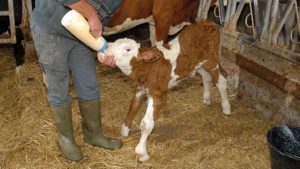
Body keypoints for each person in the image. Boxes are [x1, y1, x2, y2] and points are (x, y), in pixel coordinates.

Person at [30, 0, 122, 161]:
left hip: (79, 32)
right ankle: (66, 140)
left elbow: (103, 15)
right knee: (59, 89)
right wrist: (92, 16)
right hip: (51, 30)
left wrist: (101, 49)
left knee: (89, 85)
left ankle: (93, 134)